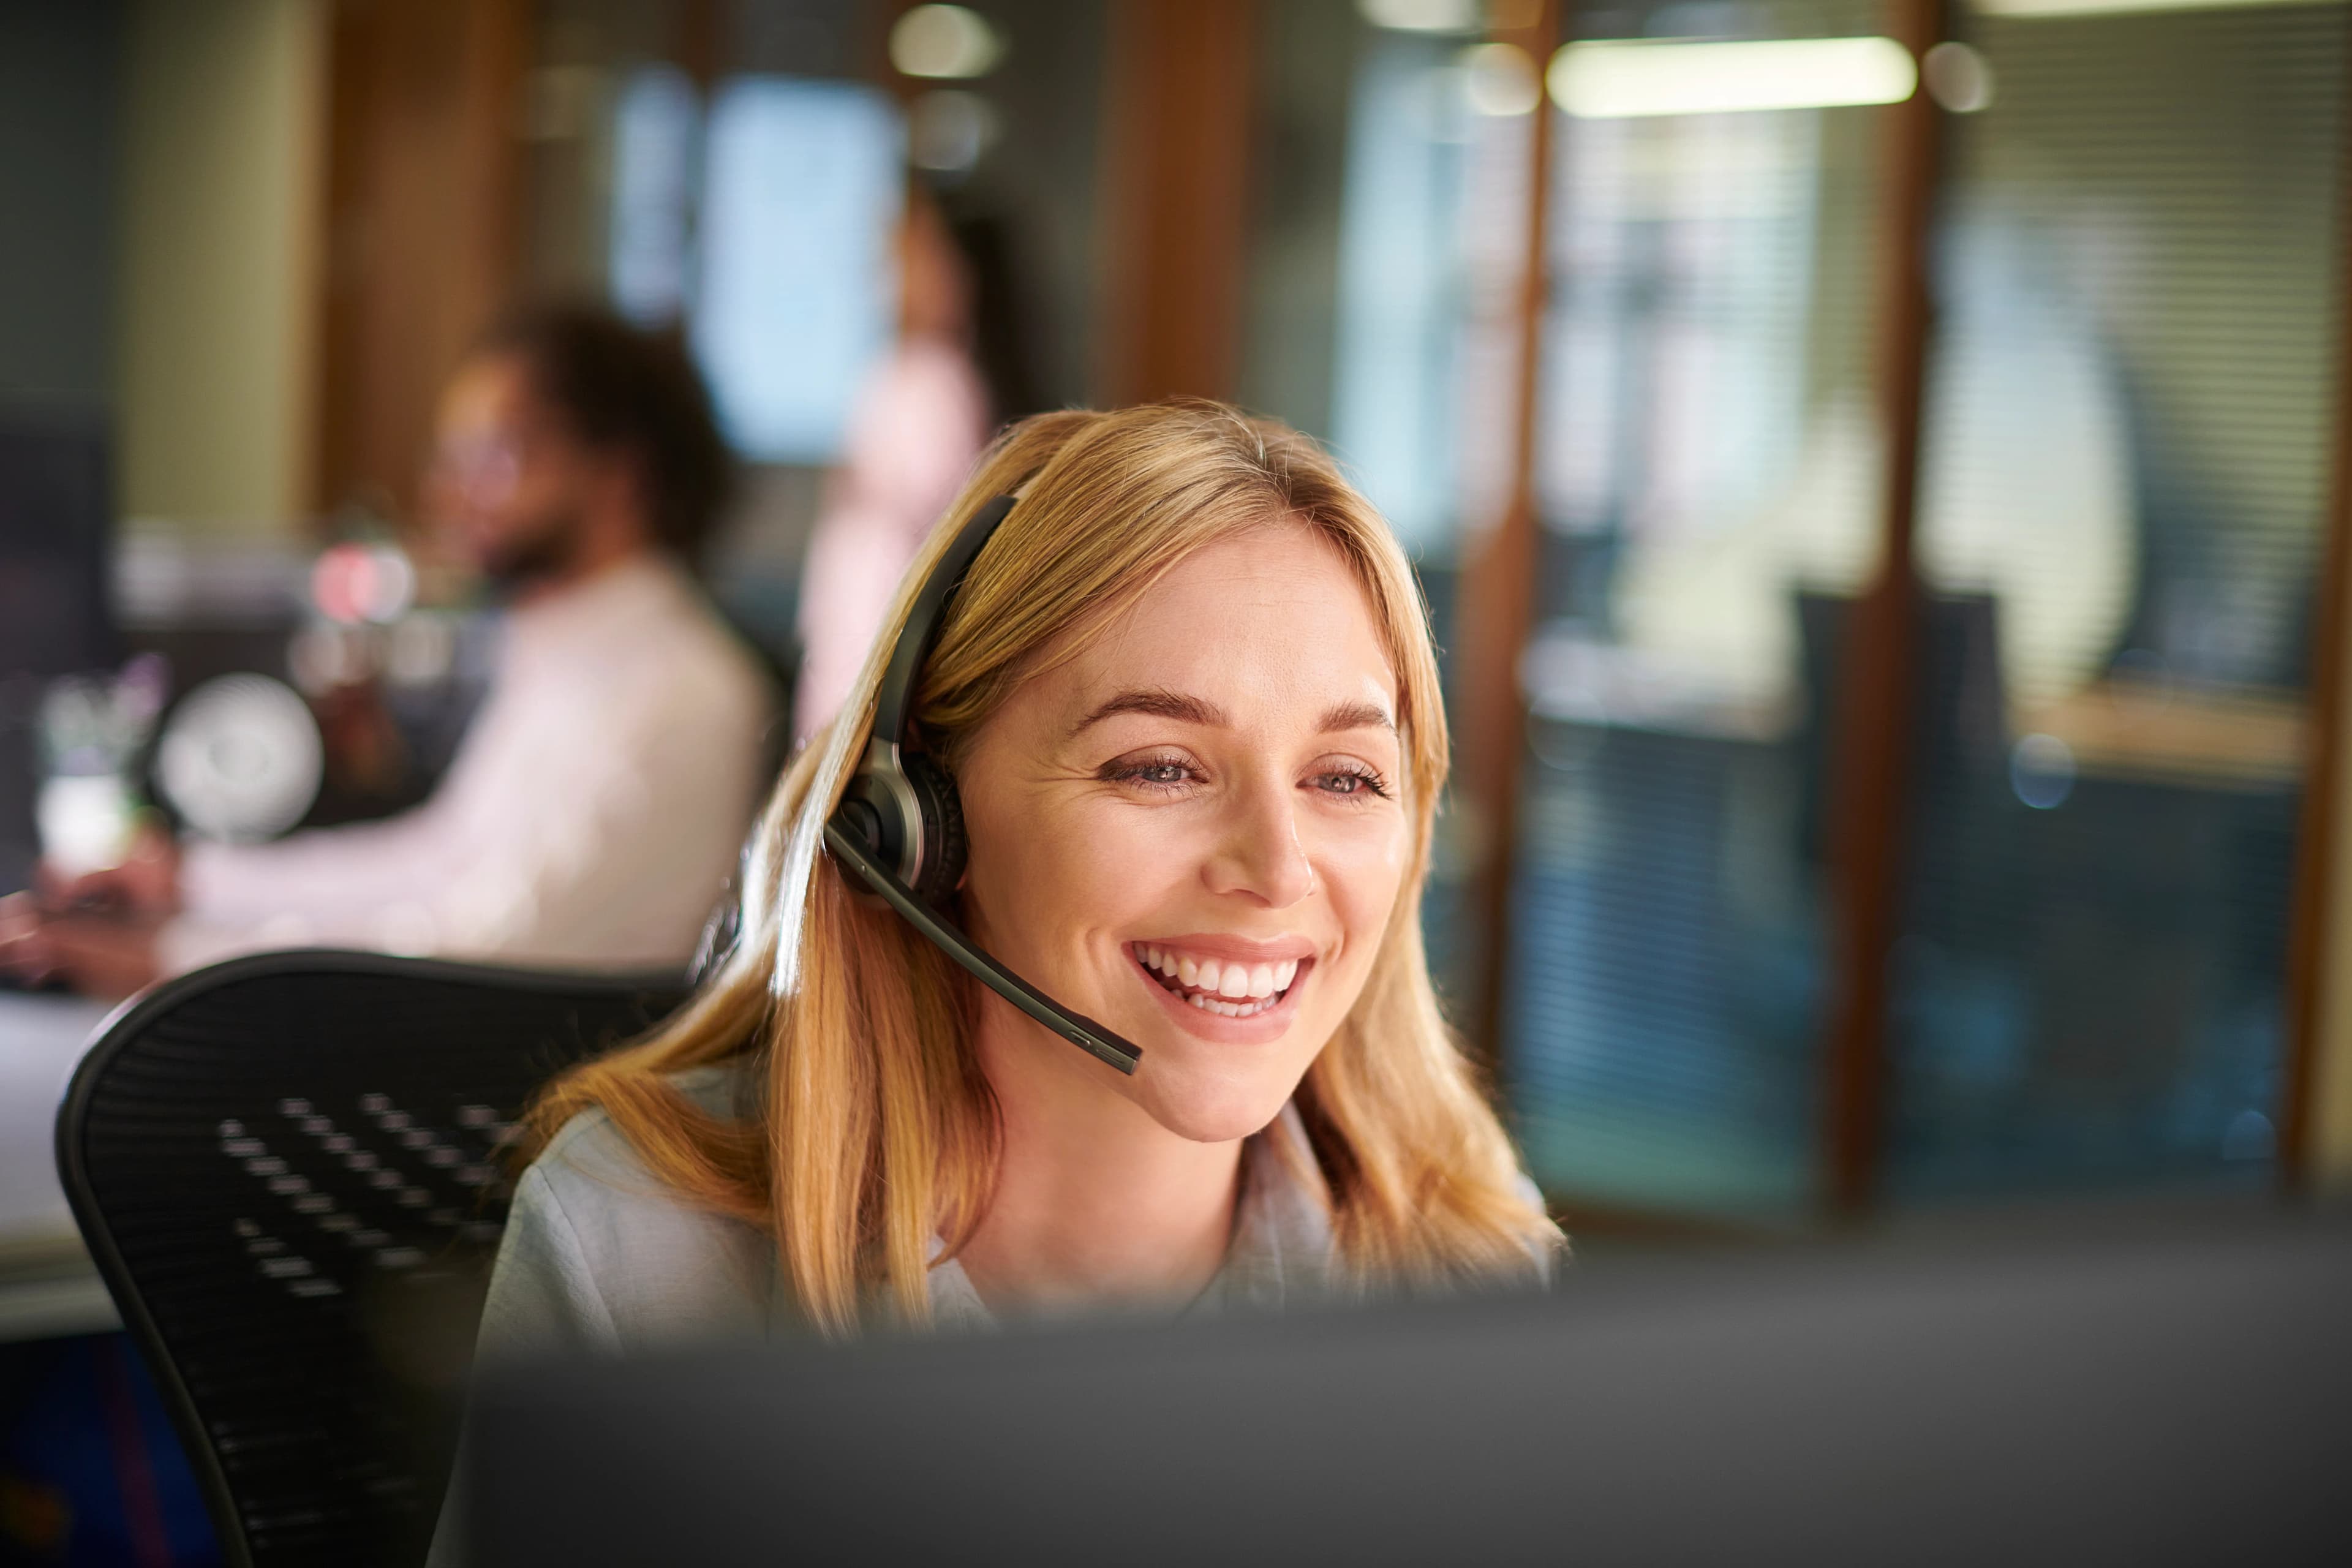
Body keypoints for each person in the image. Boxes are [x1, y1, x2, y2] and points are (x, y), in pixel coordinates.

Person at [0, 304, 778, 995]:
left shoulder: (681, 692)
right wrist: (188, 882)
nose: (451, 494)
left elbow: (482, 951)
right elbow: (441, 860)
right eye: (454, 459)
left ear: (620, 477)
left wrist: (168, 959)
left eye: (496, 457)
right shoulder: (573, 656)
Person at [790, 190, 998, 745]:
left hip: (887, 642)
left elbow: (937, 530)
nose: (892, 279)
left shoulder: (936, 384)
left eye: (913, 258)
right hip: (850, 638)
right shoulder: (894, 373)